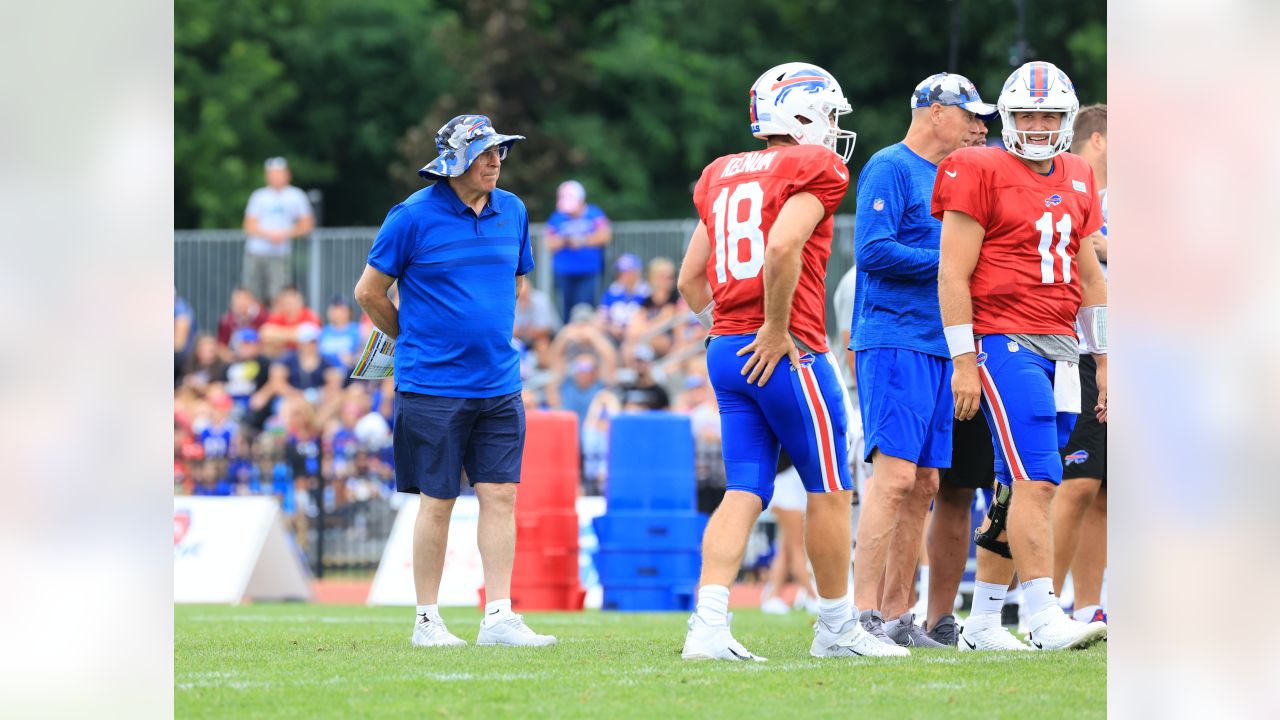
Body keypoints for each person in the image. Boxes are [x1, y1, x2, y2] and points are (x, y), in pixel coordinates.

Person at [677, 62, 904, 661]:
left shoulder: (719, 173)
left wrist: (728, 329)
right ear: (798, 111)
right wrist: (774, 328)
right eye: (828, 113)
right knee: (830, 488)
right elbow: (781, 245)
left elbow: (689, 280)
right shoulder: (816, 166)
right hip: (787, 348)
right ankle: (836, 628)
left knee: (743, 489)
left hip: (727, 350)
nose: (832, 127)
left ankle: (708, 624)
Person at [353, 113, 554, 649]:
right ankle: (427, 621)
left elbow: (515, 283)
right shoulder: (411, 216)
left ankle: (499, 616)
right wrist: (413, 339)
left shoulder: (512, 210)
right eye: (485, 152)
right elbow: (369, 292)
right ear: (455, 161)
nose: (496, 162)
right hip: (433, 386)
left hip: (499, 382)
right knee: (438, 501)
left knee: (501, 495)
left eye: (499, 152)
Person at [935, 61, 1108, 651]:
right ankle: (1041, 613)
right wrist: (962, 360)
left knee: (1016, 486)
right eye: (1027, 114)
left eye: (1049, 115)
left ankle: (982, 624)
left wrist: (1105, 359)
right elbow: (952, 274)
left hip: (1064, 344)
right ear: (1006, 118)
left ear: (1066, 119)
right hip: (1002, 337)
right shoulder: (976, 167)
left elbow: (1089, 275)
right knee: (1040, 478)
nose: (1037, 125)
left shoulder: (1080, 173)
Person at [849, 72, 994, 649]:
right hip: (893, 338)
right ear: (935, 112)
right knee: (894, 478)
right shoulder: (889, 165)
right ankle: (857, 617)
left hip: (937, 344)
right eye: (969, 115)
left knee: (926, 481)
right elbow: (872, 251)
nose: (979, 126)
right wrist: (952, 261)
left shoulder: (958, 174)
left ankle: (896, 617)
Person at [1052, 103, 1109, 625]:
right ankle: (1042, 603)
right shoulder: (1074, 186)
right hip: (1082, 348)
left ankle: (1091, 605)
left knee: (1108, 490)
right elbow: (1084, 248)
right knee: (1078, 482)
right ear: (1099, 141)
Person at [242, 157, 314, 304]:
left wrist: (285, 234)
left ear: (287, 174)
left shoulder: (296, 196)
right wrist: (270, 235)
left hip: (279, 254)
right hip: (256, 252)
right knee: (252, 294)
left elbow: (307, 224)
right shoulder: (259, 196)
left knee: (278, 295)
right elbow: (248, 225)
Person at [545, 180, 612, 323]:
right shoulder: (557, 217)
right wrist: (567, 240)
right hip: (564, 273)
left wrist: (581, 241)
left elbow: (605, 235)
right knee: (566, 312)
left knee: (585, 310)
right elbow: (549, 243)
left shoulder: (594, 213)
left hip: (588, 272)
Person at [599, 253, 650, 345]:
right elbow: (602, 316)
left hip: (638, 336)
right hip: (612, 334)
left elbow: (648, 318)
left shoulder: (647, 293)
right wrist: (611, 327)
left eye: (627, 272)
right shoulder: (612, 291)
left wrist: (629, 330)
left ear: (637, 272)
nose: (623, 276)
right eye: (621, 272)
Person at [318, 296, 364, 372]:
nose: (336, 312)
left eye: (339, 309)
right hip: (326, 374)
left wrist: (353, 359)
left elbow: (363, 355)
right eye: (333, 308)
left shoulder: (358, 331)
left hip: (349, 375)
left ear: (349, 312)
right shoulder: (324, 332)